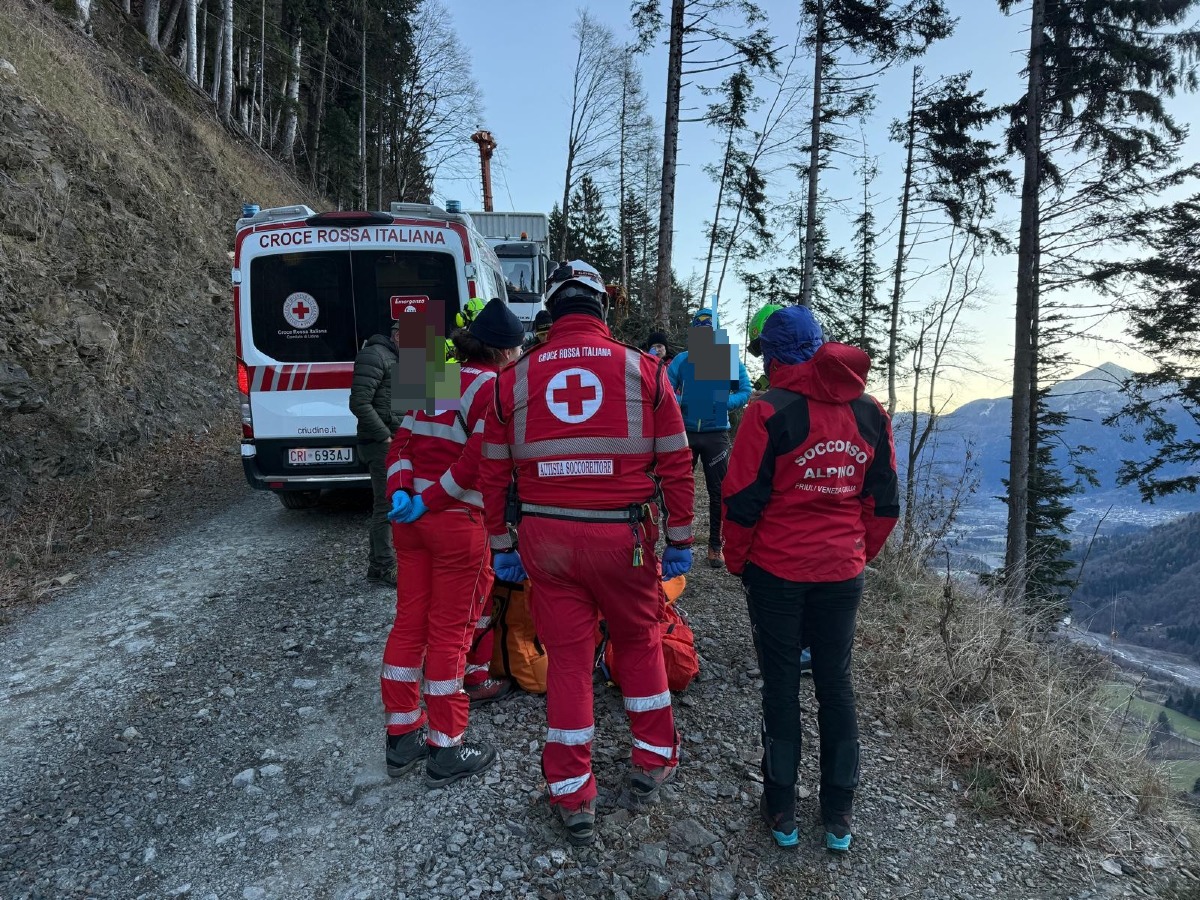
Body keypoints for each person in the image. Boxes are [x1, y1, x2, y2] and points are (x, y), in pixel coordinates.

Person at [479, 260, 695, 847]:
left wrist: (502, 546)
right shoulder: (646, 371)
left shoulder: (512, 380)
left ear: (550, 311)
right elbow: (676, 462)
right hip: (624, 541)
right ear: (602, 307)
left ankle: (573, 792)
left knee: (569, 662)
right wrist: (680, 539)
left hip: (547, 543)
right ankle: (653, 759)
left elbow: (493, 474)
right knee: (639, 640)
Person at [721, 305, 899, 853]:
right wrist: (854, 554)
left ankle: (782, 809)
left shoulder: (767, 411)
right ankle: (839, 813)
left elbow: (741, 502)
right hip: (841, 574)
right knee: (836, 686)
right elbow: (884, 501)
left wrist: (738, 563)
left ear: (773, 355)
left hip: (777, 571)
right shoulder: (870, 411)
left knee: (780, 687)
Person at [379, 299, 525, 787]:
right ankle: (447, 745)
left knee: (409, 623)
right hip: (456, 522)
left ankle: (402, 735)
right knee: (451, 632)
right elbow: (474, 464)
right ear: (506, 352)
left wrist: (403, 491)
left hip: (411, 523)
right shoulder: (496, 389)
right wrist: (434, 501)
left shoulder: (435, 376)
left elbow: (399, 446)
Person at [667, 309, 752, 569]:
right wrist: (684, 402)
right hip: (687, 433)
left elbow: (745, 390)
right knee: (678, 490)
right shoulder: (681, 360)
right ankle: (677, 544)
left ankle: (715, 546)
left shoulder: (728, 360)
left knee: (719, 492)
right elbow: (666, 388)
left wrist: (725, 402)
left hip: (716, 434)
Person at [350, 323, 405, 586]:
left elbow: (429, 399)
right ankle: (386, 567)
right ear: (397, 335)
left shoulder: (398, 357)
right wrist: (384, 435)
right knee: (386, 505)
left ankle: (376, 567)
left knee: (390, 501)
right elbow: (359, 402)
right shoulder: (374, 354)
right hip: (379, 442)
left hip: (395, 441)